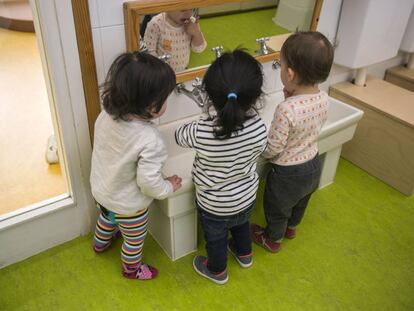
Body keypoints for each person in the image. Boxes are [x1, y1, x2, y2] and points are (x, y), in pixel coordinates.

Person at [175, 49, 267, 284]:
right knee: (241, 225)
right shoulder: (258, 126)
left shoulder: (202, 131)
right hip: (246, 196)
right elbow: (258, 149)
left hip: (214, 205)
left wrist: (204, 119)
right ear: (255, 96)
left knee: (215, 239)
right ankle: (244, 254)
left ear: (209, 95)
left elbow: (178, 136)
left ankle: (217, 270)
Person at [90, 52, 182, 280]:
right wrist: (168, 186)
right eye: (165, 98)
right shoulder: (150, 139)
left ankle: (99, 244)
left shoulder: (105, 116)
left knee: (106, 218)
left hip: (102, 191)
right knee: (133, 239)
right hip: (130, 208)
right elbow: (148, 183)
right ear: (151, 105)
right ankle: (131, 269)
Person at [251, 31, 334, 253]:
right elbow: (309, 125)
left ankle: (272, 238)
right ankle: (292, 228)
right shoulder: (323, 98)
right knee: (300, 202)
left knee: (278, 207)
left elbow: (274, 147)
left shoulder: (286, 108)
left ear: (288, 73)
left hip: (287, 172)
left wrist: (259, 153)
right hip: (313, 163)